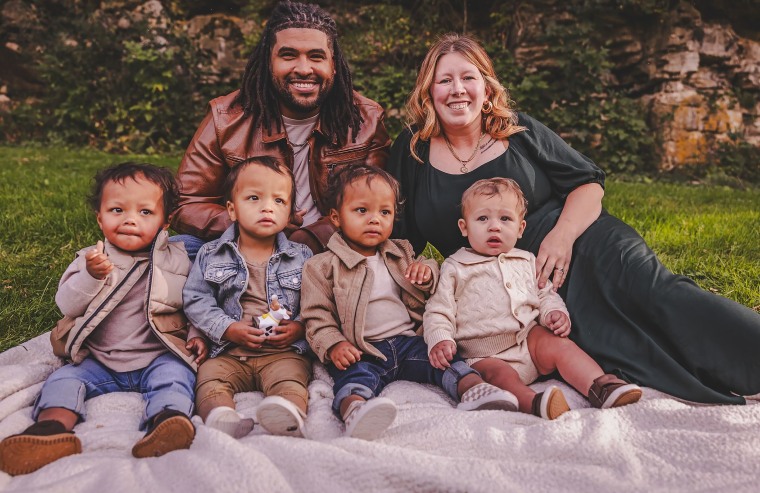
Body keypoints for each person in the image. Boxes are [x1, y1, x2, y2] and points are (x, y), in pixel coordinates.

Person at [388, 33, 760, 406]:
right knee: (615, 343)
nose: (458, 90)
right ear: (428, 91)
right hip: (527, 292)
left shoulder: (518, 131)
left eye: (468, 77)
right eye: (445, 80)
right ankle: (702, 380)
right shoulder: (412, 152)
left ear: (486, 86)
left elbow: (588, 184)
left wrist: (562, 235)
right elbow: (400, 238)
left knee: (658, 293)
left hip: (581, 241)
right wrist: (420, 267)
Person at [0, 163, 208, 476]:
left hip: (157, 356)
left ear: (166, 222)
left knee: (176, 378)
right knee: (63, 380)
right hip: (99, 361)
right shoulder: (91, 260)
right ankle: (51, 428)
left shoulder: (179, 261)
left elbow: (194, 302)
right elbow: (66, 304)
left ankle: (166, 422)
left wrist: (196, 334)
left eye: (145, 212)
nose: (129, 219)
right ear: (100, 217)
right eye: (117, 209)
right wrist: (90, 276)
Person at [301, 164, 519, 441]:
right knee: (354, 377)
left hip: (408, 341)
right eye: (361, 211)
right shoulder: (321, 267)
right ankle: (355, 410)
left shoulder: (399, 251)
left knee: (444, 359)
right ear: (336, 217)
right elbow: (316, 316)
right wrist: (333, 344)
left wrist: (426, 272)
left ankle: (474, 389)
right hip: (362, 348)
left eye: (384, 212)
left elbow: (426, 277)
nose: (374, 220)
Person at [171, 1, 390, 257]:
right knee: (181, 247)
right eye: (288, 55)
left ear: (333, 64)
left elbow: (378, 204)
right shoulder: (225, 118)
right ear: (268, 61)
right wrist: (256, 224)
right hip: (249, 247)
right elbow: (186, 203)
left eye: (316, 56)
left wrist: (308, 236)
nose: (304, 69)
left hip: (334, 251)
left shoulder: (367, 119)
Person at [424, 178, 642, 419]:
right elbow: (438, 309)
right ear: (464, 227)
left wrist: (554, 314)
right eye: (483, 219)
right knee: (500, 375)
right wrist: (440, 339)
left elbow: (545, 294)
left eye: (505, 219)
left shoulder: (526, 260)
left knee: (561, 346)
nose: (494, 227)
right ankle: (534, 403)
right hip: (483, 354)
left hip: (528, 340)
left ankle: (601, 386)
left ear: (520, 228)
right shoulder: (456, 267)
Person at [183, 156, 313, 438]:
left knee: (292, 381)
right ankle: (220, 416)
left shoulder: (302, 257)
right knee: (209, 379)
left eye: (279, 201)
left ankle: (286, 415)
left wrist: (299, 326)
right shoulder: (211, 254)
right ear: (232, 209)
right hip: (229, 351)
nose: (267, 207)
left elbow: (319, 302)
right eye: (254, 198)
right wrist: (227, 328)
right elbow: (196, 299)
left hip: (282, 353)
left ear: (290, 213)